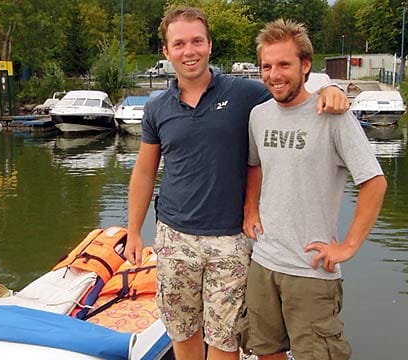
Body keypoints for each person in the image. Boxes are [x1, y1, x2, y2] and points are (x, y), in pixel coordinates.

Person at [123, 5, 349, 360]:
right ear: (166, 52)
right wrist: (134, 231)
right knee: (182, 330)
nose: (190, 50)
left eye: (197, 41)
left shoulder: (245, 95)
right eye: (179, 43)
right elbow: (144, 172)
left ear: (210, 45)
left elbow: (289, 88)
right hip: (173, 237)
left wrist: (329, 87)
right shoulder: (157, 107)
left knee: (225, 339)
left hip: (231, 240)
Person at [242, 19, 387, 360]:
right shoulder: (258, 116)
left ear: (305, 66)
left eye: (284, 64)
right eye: (267, 66)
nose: (274, 74)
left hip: (311, 271)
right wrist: (251, 208)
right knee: (265, 350)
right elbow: (255, 164)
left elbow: (374, 182)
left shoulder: (333, 116)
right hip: (263, 262)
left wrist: (349, 246)